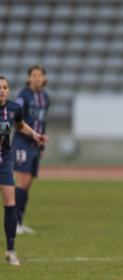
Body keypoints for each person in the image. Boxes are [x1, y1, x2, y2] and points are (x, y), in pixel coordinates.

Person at [0, 76, 48, 266]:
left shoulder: (14, 108)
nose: (1, 90)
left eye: (4, 87)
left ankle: (11, 250)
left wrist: (36, 135)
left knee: (10, 204)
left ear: (8, 90)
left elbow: (20, 125)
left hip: (4, 161)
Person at [11, 65, 50, 234]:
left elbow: (43, 122)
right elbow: (16, 119)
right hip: (22, 142)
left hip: (35, 144)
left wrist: (42, 143)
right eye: (33, 75)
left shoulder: (46, 97)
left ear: (44, 78)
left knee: (28, 184)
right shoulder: (23, 95)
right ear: (29, 78)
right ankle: (15, 222)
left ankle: (20, 220)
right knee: (23, 181)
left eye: (39, 75)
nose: (36, 78)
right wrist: (31, 135)